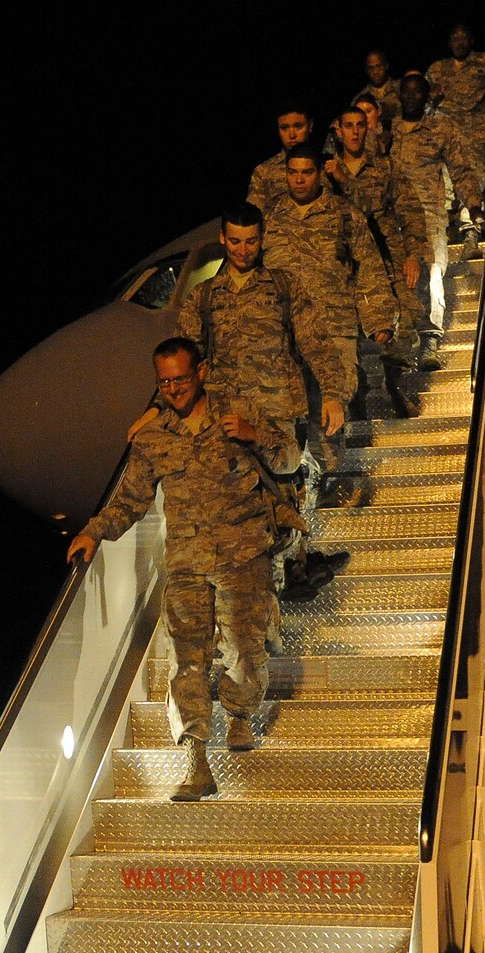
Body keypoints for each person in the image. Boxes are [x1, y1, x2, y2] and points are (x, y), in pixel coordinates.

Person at [68, 338, 276, 799]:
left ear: (200, 371)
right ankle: (196, 762)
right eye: (165, 382)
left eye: (181, 378)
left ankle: (240, 711)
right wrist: (94, 531)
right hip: (186, 564)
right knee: (188, 663)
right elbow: (131, 499)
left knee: (245, 649)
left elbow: (288, 459)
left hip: (243, 556)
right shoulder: (153, 436)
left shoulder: (238, 412)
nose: (174, 389)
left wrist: (256, 435)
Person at [178, 202, 351, 599]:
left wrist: (334, 395)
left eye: (250, 241)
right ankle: (271, 589)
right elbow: (183, 361)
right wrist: (158, 409)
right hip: (225, 416)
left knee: (287, 492)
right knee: (244, 506)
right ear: (223, 240)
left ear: (262, 240)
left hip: (277, 410)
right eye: (235, 241)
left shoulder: (283, 287)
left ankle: (297, 566)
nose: (242, 250)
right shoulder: (203, 298)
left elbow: (317, 344)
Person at [265, 140, 410, 452]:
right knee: (293, 406)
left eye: (306, 172)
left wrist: (379, 318)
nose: (299, 179)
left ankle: (331, 474)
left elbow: (368, 267)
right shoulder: (270, 219)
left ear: (319, 174)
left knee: (334, 401)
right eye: (293, 173)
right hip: (285, 331)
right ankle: (308, 479)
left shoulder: (345, 215)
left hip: (334, 325)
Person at [326, 104, 437, 382]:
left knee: (405, 318)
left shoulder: (384, 167)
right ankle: (360, 393)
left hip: (387, 251)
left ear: (368, 128)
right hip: (346, 259)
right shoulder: (326, 173)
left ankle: (395, 387)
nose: (354, 132)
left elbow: (410, 212)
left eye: (359, 125)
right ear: (338, 131)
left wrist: (413, 255)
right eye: (348, 125)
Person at [388, 72, 485, 346]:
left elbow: (460, 169)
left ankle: (431, 338)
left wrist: (473, 204)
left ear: (427, 96)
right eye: (406, 91)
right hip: (393, 217)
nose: (411, 97)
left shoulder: (439, 129)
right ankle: (399, 340)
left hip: (428, 215)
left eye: (417, 92)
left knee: (433, 272)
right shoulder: (386, 132)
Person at [426, 23, 485, 193]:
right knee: (443, 189)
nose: (459, 42)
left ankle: (471, 219)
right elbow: (420, 102)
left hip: (475, 137)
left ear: (471, 41)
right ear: (449, 43)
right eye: (455, 38)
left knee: (472, 186)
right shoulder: (436, 69)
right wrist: (431, 97)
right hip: (444, 138)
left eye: (463, 38)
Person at [246, 100, 314, 212]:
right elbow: (252, 219)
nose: (292, 135)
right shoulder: (264, 172)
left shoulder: (327, 167)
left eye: (298, 126)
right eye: (285, 128)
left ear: (310, 126)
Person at [354, 50, 401, 149]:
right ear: (366, 70)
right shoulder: (362, 97)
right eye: (371, 68)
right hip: (373, 148)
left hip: (401, 143)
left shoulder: (401, 89)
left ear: (386, 66)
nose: (375, 72)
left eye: (379, 66)